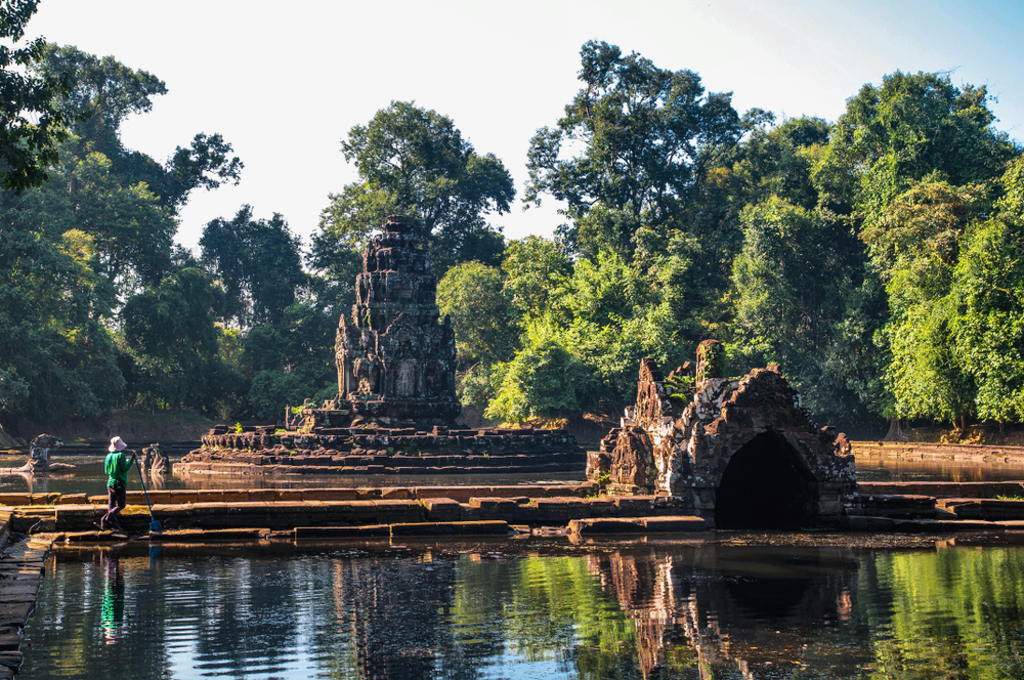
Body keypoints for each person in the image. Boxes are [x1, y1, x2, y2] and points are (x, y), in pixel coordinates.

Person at [101, 436, 136, 532]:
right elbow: (124, 469)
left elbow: (107, 471)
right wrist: (132, 459)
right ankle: (105, 519)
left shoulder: (108, 456)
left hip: (110, 483)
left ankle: (113, 525)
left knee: (111, 505)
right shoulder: (121, 455)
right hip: (119, 483)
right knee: (121, 504)